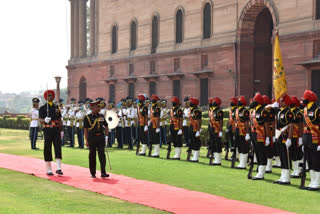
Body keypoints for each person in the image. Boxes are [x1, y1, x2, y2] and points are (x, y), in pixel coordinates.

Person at [39, 90, 63, 175]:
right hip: (48, 129)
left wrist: (62, 130)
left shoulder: (57, 107)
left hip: (56, 129)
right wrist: (44, 120)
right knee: (47, 148)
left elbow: (60, 119)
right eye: (48, 95)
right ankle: (49, 169)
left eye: (51, 95)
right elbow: (40, 119)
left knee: (58, 147)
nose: (50, 97)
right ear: (46, 97)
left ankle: (59, 168)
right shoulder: (42, 108)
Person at [84, 100, 110, 178]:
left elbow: (106, 126)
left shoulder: (101, 116)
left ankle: (103, 172)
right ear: (93, 107)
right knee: (92, 155)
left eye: (99, 107)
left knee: (102, 155)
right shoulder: (87, 117)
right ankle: (93, 173)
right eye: (97, 107)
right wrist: (86, 140)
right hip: (92, 138)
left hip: (100, 137)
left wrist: (106, 136)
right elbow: (85, 129)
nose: (99, 108)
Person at [301, 90, 320, 190]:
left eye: (304, 97)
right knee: (309, 161)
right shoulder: (305, 110)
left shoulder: (317, 110)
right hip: (306, 138)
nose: (303, 99)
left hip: (315, 139)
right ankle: (312, 181)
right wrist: (303, 141)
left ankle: (317, 182)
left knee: (316, 160)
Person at [273, 94, 294, 185]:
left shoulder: (288, 113)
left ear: (286, 102)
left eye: (282, 101)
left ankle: (286, 178)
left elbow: (291, 125)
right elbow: (277, 126)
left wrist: (289, 138)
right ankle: (282, 176)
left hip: (285, 138)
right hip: (279, 137)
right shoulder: (279, 112)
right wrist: (276, 136)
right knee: (281, 157)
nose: (280, 102)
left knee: (286, 157)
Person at [251, 93, 269, 180]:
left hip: (261, 135)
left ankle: (261, 173)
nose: (253, 101)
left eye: (255, 100)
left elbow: (266, 125)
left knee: (262, 153)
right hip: (254, 134)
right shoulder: (254, 110)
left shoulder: (263, 111)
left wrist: (268, 137)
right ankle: (259, 170)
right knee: (257, 153)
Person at [235, 96, 250, 169]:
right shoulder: (237, 110)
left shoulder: (245, 111)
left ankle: (243, 163)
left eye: (239, 101)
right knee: (240, 147)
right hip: (238, 131)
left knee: (244, 147)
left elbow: (247, 122)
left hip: (244, 131)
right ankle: (241, 162)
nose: (238, 102)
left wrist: (247, 133)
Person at [209, 97, 224, 165]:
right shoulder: (213, 110)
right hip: (212, 128)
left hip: (217, 129)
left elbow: (221, 121)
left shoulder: (219, 111)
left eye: (215, 101)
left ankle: (218, 160)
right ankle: (215, 159)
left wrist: (220, 131)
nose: (213, 102)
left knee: (217, 144)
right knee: (213, 143)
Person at [189, 97, 202, 162]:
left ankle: (196, 157)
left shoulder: (197, 110)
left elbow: (199, 120)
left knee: (196, 142)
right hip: (191, 126)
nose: (190, 103)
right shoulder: (191, 109)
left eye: (191, 102)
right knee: (192, 141)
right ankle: (194, 156)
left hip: (195, 128)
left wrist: (198, 130)